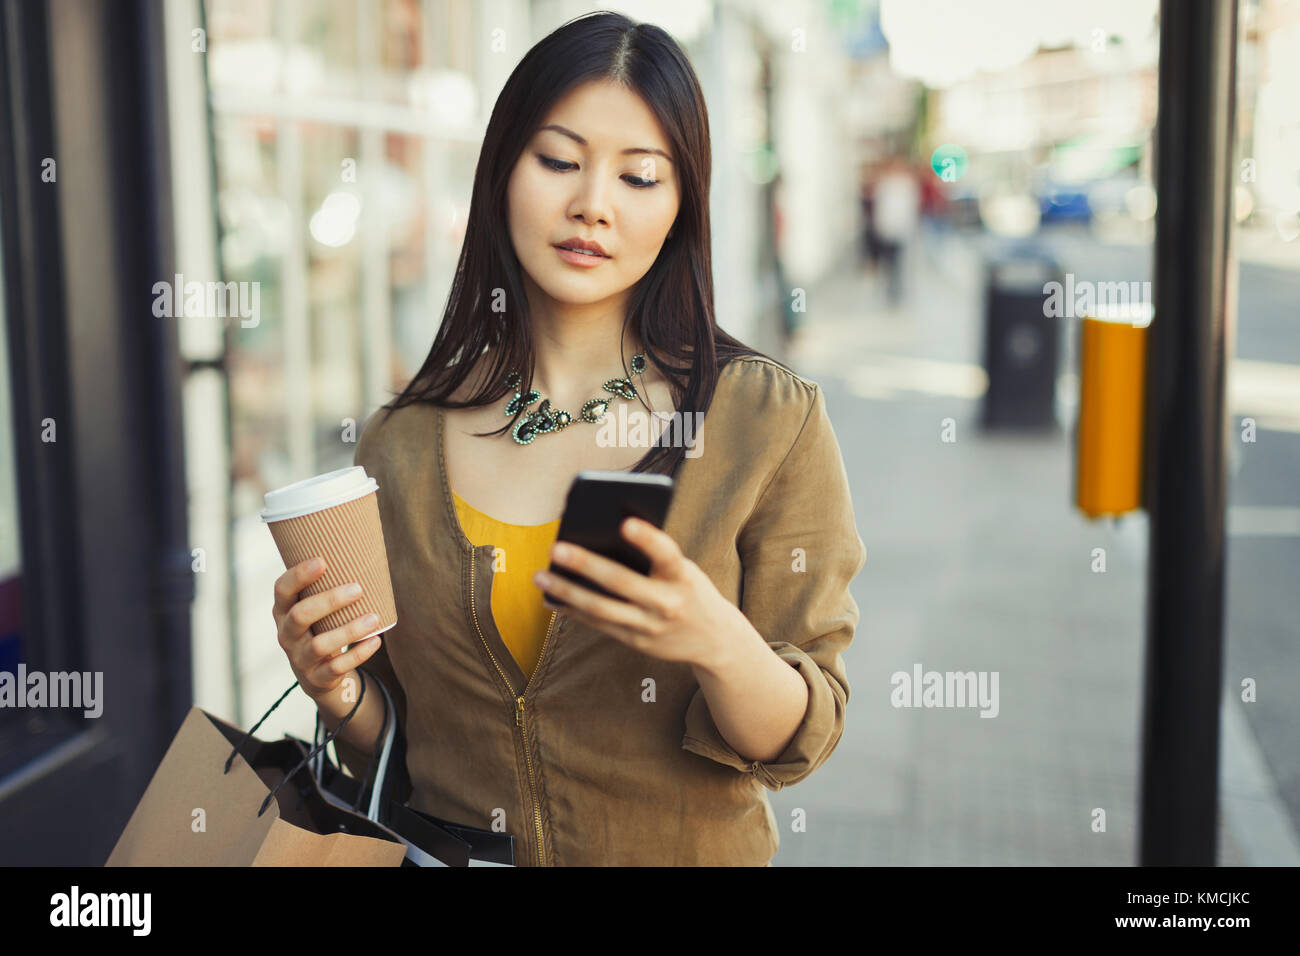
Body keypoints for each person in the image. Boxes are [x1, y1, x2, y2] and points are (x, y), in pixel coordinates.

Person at [271, 10, 865, 866]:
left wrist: (712, 636)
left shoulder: (762, 421)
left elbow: (802, 737)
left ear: (680, 207)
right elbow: (399, 745)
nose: (592, 205)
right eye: (558, 161)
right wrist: (335, 689)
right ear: (503, 172)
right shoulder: (399, 445)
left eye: (640, 176)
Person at [870, 158, 920, 307]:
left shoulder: (907, 185)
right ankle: (891, 287)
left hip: (901, 229)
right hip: (887, 229)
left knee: (898, 261)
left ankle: (895, 288)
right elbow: (879, 208)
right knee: (889, 261)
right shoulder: (884, 185)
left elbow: (911, 207)